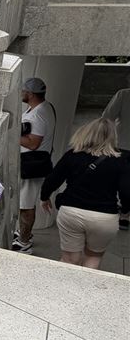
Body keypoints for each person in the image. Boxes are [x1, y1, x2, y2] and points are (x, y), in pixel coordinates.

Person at [40, 119, 130, 268]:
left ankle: (61, 282)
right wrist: (125, 210)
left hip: (71, 212)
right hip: (104, 217)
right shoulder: (122, 161)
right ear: (113, 137)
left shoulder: (72, 155)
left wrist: (44, 197)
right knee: (93, 257)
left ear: (86, 133)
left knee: (69, 259)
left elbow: (52, 179)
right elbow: (126, 192)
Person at [15, 77, 55, 253]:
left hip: (31, 165)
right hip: (34, 163)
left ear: (30, 94)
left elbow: (33, 144)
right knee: (26, 202)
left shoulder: (38, 115)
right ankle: (25, 234)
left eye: (23, 91)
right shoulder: (46, 107)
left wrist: (13, 134)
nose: (21, 94)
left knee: (26, 204)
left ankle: (24, 242)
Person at [101, 80, 130, 229]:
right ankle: (125, 213)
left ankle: (116, 210)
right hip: (122, 145)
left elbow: (107, 118)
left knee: (114, 178)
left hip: (122, 145)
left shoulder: (124, 94)